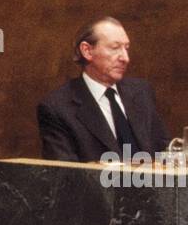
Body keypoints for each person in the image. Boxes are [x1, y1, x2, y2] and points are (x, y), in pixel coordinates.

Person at [37, 17, 170, 162]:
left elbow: (164, 151)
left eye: (126, 48)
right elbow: (65, 175)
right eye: (115, 48)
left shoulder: (141, 92)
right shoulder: (58, 107)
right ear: (87, 51)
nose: (125, 58)